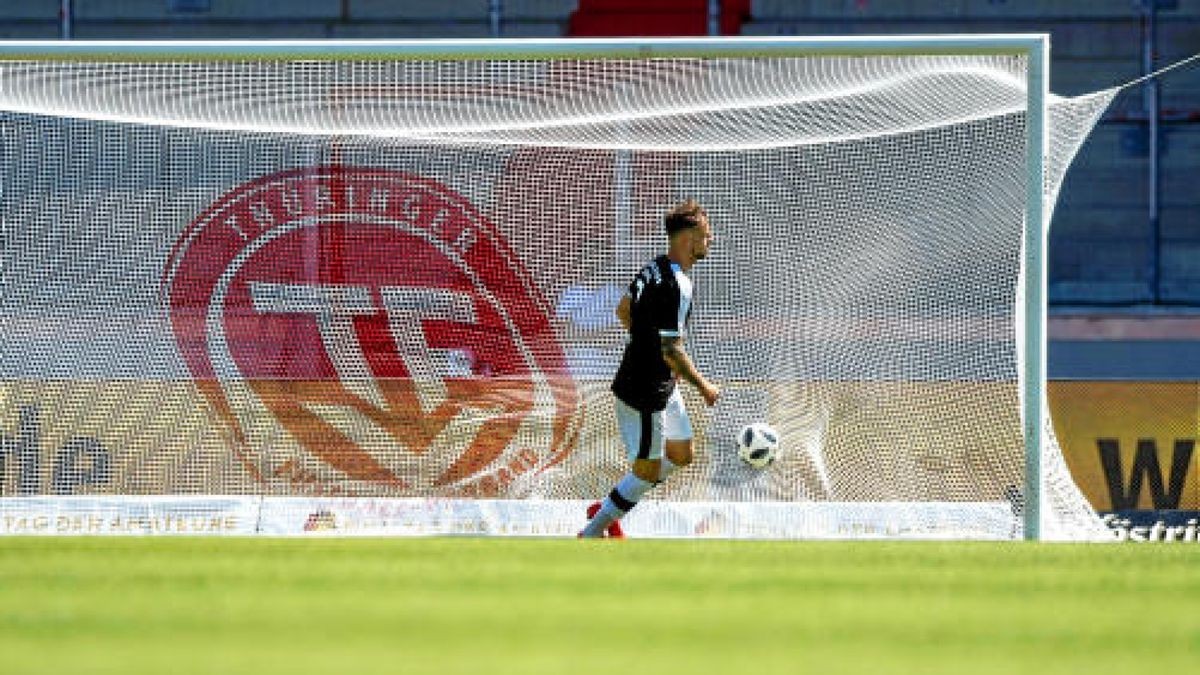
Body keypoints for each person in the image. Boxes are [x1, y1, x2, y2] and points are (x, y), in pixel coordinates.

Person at [579, 199, 720, 538]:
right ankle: (593, 531)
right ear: (688, 238)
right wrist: (705, 387)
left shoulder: (653, 267)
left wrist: (643, 342)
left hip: (662, 384)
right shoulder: (677, 285)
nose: (711, 238)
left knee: (682, 453)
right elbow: (671, 350)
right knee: (646, 471)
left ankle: (615, 502)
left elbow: (623, 310)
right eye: (706, 232)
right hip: (643, 389)